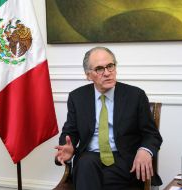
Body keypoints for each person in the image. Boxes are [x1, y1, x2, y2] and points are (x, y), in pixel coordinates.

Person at [55, 46, 163, 190]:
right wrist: (69, 148)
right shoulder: (77, 97)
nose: (107, 73)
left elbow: (152, 135)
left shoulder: (135, 96)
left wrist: (144, 150)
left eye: (110, 66)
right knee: (86, 163)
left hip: (125, 160)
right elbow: (71, 132)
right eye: (99, 69)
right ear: (88, 75)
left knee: (92, 176)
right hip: (90, 159)